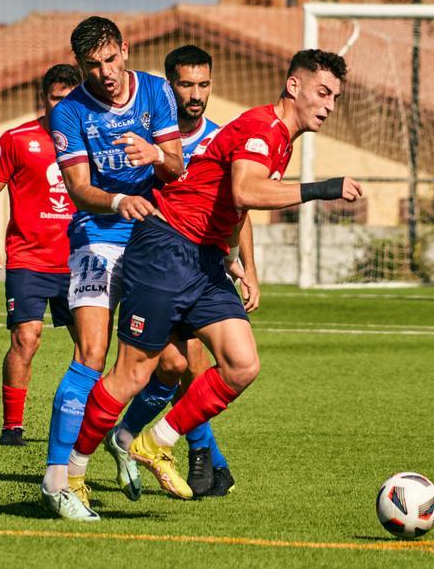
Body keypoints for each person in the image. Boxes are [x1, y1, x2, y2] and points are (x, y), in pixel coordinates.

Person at [54, 49, 362, 520]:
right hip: (166, 248)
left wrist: (238, 261)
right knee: (133, 373)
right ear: (294, 86)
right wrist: (324, 187)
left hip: (205, 260)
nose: (329, 105)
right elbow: (247, 192)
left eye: (336, 97)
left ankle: (155, 442)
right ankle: (70, 477)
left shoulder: (282, 138)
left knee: (242, 364)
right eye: (323, 93)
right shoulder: (262, 127)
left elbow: (231, 205)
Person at [39, 16, 184, 521]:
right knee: (92, 353)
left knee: (172, 365)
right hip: (97, 236)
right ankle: (59, 480)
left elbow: (177, 166)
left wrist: (155, 156)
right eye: (92, 65)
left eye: (109, 59)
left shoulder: (157, 92)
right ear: (81, 66)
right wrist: (119, 198)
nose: (103, 72)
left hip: (151, 237)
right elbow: (79, 188)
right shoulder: (70, 112)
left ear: (125, 50)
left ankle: (127, 439)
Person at [103, 45, 258, 501]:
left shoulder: (219, 139)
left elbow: (239, 207)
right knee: (168, 364)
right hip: (148, 261)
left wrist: (246, 267)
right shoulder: (149, 135)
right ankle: (188, 454)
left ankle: (193, 457)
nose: (196, 95)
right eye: (186, 85)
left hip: (200, 265)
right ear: (169, 86)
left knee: (192, 364)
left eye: (204, 85)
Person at [0, 63, 82, 446]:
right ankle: (12, 426)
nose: (62, 106)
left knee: (90, 345)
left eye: (70, 99)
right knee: (27, 337)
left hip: (80, 262)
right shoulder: (17, 139)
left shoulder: (96, 140)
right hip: (29, 260)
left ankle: (80, 420)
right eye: (56, 99)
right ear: (44, 98)